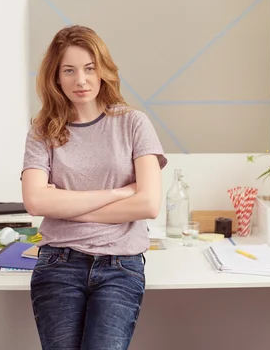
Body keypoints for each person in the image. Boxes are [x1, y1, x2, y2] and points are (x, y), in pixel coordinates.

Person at [21, 25, 167, 350]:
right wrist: (118, 193)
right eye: (69, 70)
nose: (81, 80)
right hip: (59, 261)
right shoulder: (42, 131)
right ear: (55, 77)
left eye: (89, 69)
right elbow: (34, 201)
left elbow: (148, 204)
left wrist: (65, 206)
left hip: (121, 266)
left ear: (102, 71)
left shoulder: (134, 123)